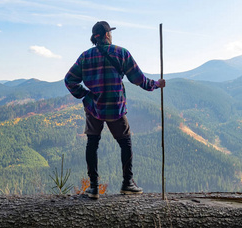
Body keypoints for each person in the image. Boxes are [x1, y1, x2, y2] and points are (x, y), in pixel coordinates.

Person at [64, 21, 166, 199]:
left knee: (92, 143)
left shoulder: (85, 57)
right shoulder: (121, 53)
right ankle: (127, 183)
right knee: (125, 142)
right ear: (107, 35)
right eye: (110, 32)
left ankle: (93, 187)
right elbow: (139, 80)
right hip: (115, 108)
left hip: (94, 107)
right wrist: (156, 85)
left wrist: (85, 95)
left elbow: (69, 80)